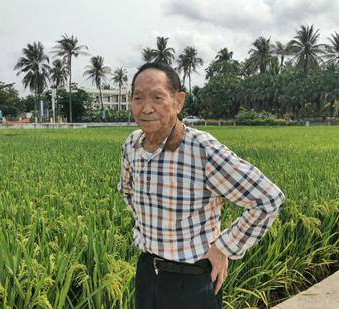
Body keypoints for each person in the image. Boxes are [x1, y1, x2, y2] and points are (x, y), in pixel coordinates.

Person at [117, 62, 285, 309]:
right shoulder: (132, 145)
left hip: (191, 281)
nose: (147, 108)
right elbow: (128, 191)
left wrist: (224, 248)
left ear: (178, 101)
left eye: (157, 97)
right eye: (138, 98)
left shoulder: (200, 149)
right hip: (147, 273)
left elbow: (268, 199)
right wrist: (149, 230)